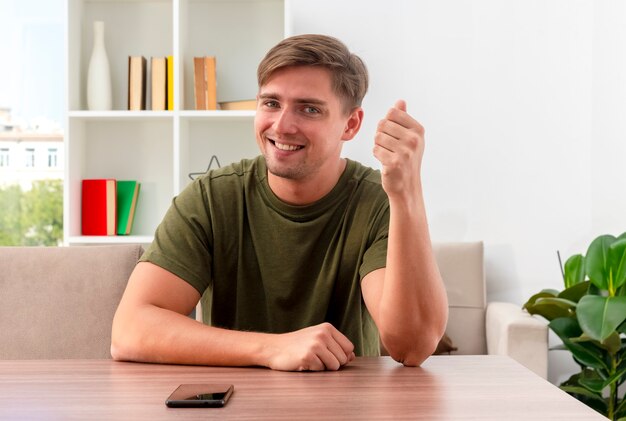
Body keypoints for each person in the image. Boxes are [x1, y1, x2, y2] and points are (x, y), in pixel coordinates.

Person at [111, 34, 448, 371]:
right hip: (235, 403)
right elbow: (129, 331)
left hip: (348, 405)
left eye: (309, 109)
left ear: (350, 124)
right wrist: (272, 348)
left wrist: (407, 194)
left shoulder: (377, 201)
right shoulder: (211, 198)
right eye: (271, 103)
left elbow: (412, 346)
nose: (282, 126)